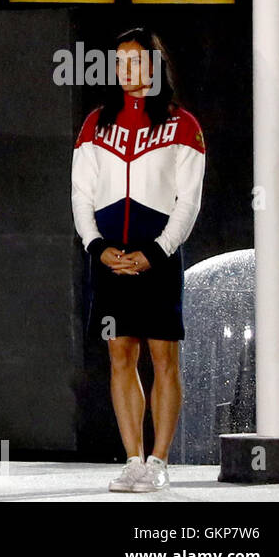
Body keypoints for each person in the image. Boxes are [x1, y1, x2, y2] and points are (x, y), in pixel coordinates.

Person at [71, 27, 205, 493]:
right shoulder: (95, 124)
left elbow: (188, 204)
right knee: (120, 355)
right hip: (108, 256)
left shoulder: (182, 124)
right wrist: (96, 247)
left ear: (155, 67)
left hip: (159, 256)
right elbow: (81, 195)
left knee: (164, 358)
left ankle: (159, 459)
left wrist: (155, 252)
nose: (128, 71)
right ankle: (132, 459)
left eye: (137, 62)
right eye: (121, 62)